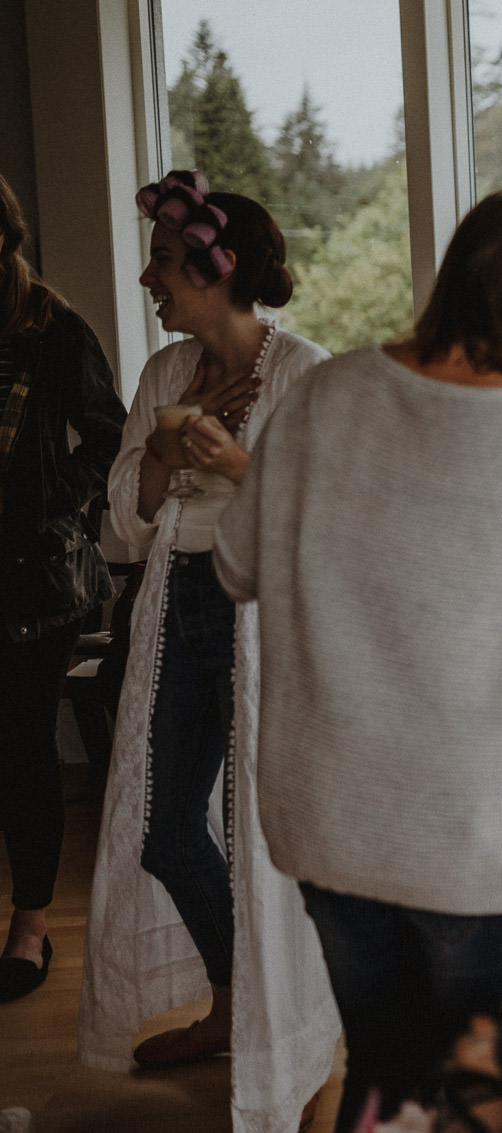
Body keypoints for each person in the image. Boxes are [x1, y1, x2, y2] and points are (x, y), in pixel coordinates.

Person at [213, 193, 502, 1131]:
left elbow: (236, 565)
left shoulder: (322, 393)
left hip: (333, 817)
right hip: (481, 833)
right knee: (477, 1087)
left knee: (382, 1067)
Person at [80, 171, 339, 1132]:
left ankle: (308, 1034)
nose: (150, 280)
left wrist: (238, 464)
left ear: (213, 269)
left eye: (161, 262)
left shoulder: (308, 372)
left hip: (269, 619)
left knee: (279, 843)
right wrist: (156, 455)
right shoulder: (162, 374)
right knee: (165, 829)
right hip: (183, 605)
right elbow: (125, 527)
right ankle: (240, 1007)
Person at [0, 172, 125, 1004]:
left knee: (20, 752)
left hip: (32, 582)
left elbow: (115, 432)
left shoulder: (48, 325)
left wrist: (52, 497)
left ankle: (32, 923)